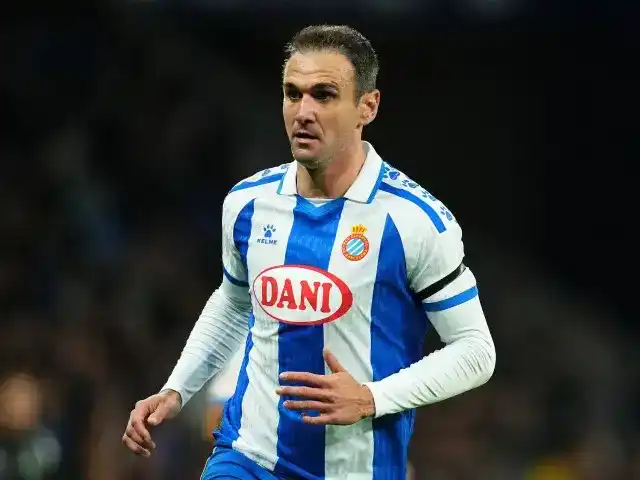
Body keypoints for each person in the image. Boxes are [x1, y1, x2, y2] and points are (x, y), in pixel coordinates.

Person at [122, 24, 496, 479]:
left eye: (324, 95)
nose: (303, 111)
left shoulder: (415, 221)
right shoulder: (248, 203)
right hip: (248, 455)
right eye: (292, 94)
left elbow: (476, 350)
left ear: (367, 106)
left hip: (357, 468)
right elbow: (234, 303)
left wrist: (371, 397)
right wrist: (176, 389)